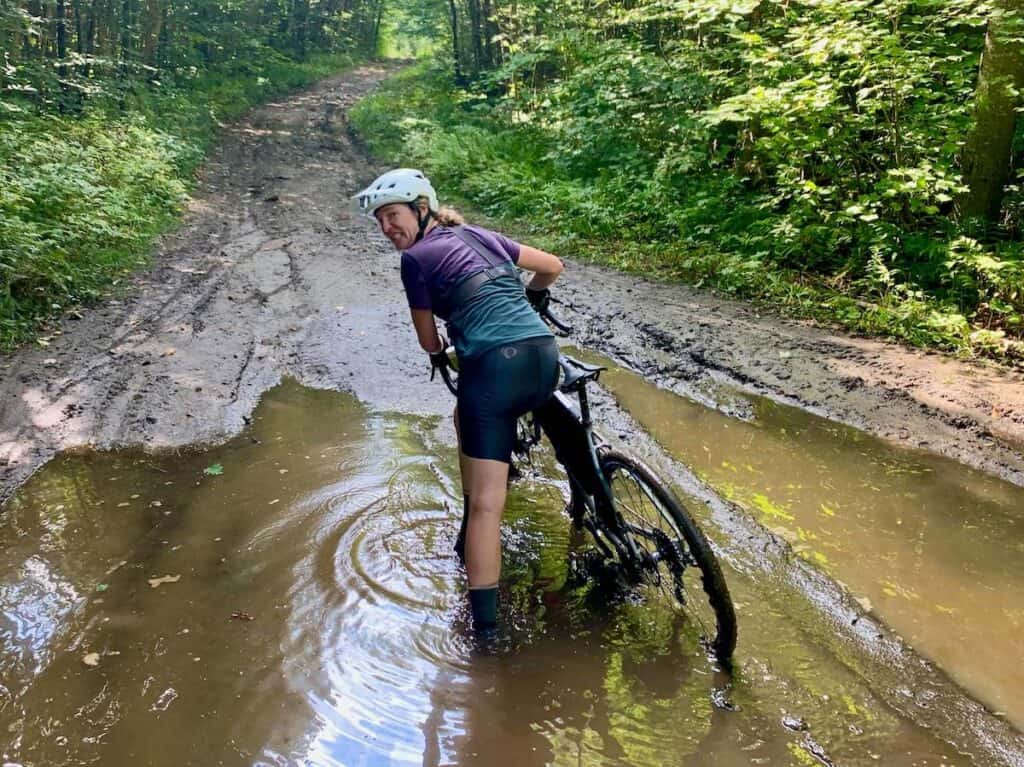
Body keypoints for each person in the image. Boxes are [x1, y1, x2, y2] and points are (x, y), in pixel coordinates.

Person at [352, 168, 565, 639]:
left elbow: (429, 341)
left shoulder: (415, 260)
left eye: (393, 215)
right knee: (472, 418)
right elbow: (551, 265)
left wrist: (443, 352)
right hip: (543, 356)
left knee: (491, 504)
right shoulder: (480, 235)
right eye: (381, 221)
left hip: (493, 371)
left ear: (421, 209)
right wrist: (530, 300)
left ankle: (484, 634)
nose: (388, 228)